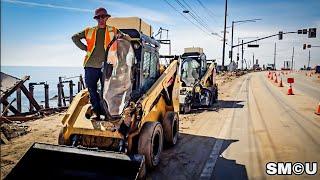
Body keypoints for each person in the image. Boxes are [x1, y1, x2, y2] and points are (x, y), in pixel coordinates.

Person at [72, 7, 121, 119]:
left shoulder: (113, 30)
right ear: (96, 19)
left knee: (106, 91)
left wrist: (122, 37)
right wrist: (85, 48)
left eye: (103, 16)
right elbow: (74, 38)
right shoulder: (89, 30)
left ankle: (107, 112)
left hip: (107, 66)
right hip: (90, 66)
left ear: (107, 18)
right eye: (98, 17)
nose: (101, 19)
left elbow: (125, 38)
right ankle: (96, 112)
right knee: (92, 90)